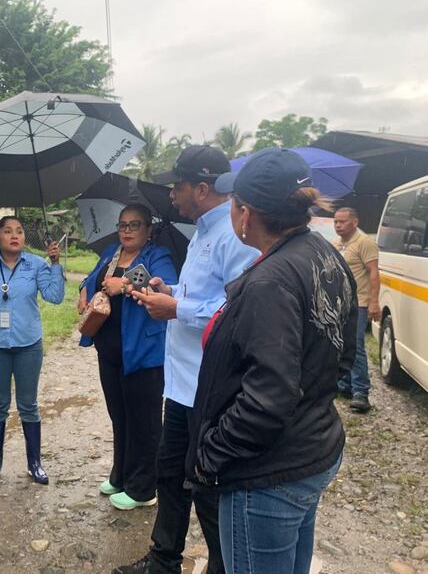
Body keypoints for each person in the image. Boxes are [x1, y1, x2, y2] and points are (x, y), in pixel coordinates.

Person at [187, 148, 356, 574]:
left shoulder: (269, 282)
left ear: (245, 215)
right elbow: (343, 354)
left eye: (232, 203)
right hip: (312, 448)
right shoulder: (324, 254)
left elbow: (267, 398)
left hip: (266, 475)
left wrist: (211, 455)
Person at [119, 145, 259, 574]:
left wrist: (175, 309)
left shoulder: (236, 238)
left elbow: (236, 310)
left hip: (209, 387)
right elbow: (202, 294)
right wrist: (170, 291)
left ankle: (223, 565)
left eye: (176, 186)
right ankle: (164, 561)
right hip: (180, 383)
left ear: (201, 188)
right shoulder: (200, 231)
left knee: (207, 485)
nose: (171, 195)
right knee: (170, 474)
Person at [78, 203, 177, 511]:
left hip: (143, 352)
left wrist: (126, 284)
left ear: (148, 230)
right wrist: (84, 288)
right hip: (109, 350)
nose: (127, 231)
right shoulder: (110, 251)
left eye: (135, 225)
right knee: (119, 416)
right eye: (122, 225)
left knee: (144, 421)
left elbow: (167, 288)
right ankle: (120, 475)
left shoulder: (157, 256)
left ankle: (144, 488)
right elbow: (93, 277)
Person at [0, 216, 64, 486]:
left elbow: (55, 297)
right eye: (7, 231)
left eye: (19, 231)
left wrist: (55, 263)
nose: (14, 235)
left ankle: (35, 463)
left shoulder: (36, 264)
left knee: (28, 405)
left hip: (28, 345)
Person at [333, 206, 380, 412]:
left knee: (357, 346)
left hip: (358, 304)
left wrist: (374, 301)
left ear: (355, 222)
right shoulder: (336, 245)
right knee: (340, 345)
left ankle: (361, 392)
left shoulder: (364, 243)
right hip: (339, 304)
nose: (338, 225)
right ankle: (345, 385)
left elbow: (373, 272)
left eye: (342, 221)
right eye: (335, 221)